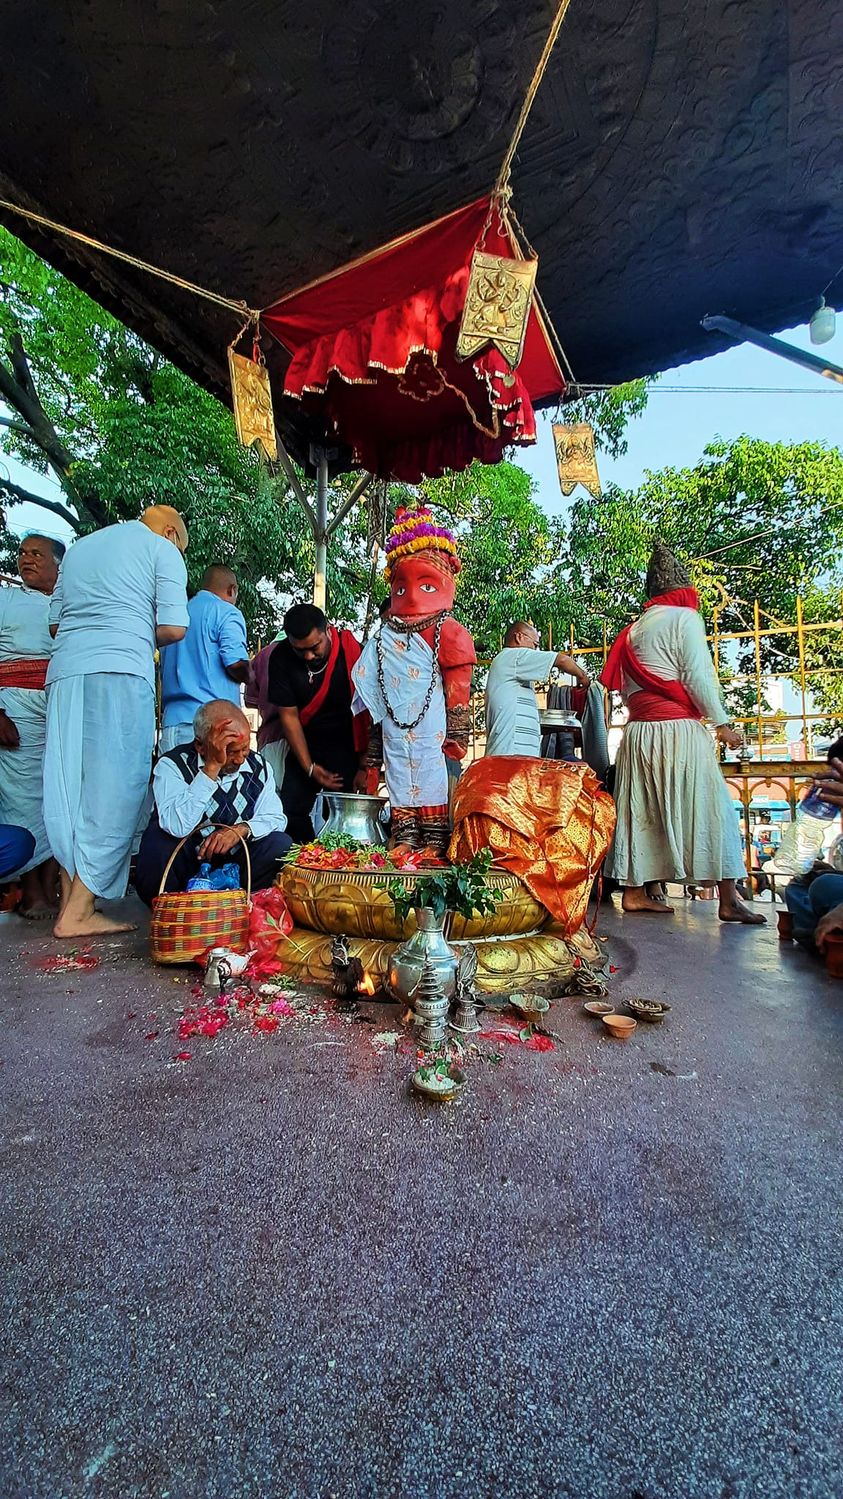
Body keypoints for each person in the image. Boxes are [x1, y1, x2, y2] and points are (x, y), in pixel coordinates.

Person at [44, 505, 189, 938]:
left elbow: (55, 625)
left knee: (70, 786)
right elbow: (174, 627)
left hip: (66, 671)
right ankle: (79, 911)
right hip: (121, 670)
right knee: (118, 785)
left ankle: (71, 902)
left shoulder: (79, 549)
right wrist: (133, 627)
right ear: (169, 531)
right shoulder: (161, 550)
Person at [600, 541, 764, 924]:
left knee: (641, 810)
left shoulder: (633, 630)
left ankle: (637, 893)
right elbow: (697, 676)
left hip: (638, 733)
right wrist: (721, 722)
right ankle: (728, 899)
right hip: (678, 732)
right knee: (711, 809)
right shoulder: (683, 618)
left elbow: (625, 688)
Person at [352, 505, 476, 855]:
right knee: (400, 778)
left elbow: (459, 683)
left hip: (429, 727)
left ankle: (434, 839)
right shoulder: (381, 639)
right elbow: (372, 697)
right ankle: (405, 835)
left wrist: (457, 729)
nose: (414, 595)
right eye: (402, 586)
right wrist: (372, 756)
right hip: (394, 727)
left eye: (425, 584)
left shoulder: (445, 630)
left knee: (430, 777)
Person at [134, 701, 290, 903]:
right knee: (158, 839)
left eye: (245, 749)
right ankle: (173, 908)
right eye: (231, 751)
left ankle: (238, 905)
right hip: (188, 866)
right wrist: (211, 768)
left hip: (235, 867)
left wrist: (240, 830)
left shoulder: (259, 766)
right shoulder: (172, 765)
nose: (241, 759)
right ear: (201, 745)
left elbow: (276, 817)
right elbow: (176, 826)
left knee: (279, 843)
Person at [0, 533, 65, 916]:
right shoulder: (6, 600)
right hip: (15, 708)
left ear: (59, 564)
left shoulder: (70, 603)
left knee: (58, 795)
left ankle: (51, 885)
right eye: (23, 553)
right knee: (21, 799)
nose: (27, 559)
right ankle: (32, 892)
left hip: (57, 706)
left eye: (37, 554)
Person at [267, 603, 368, 843]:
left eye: (314, 647)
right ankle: (305, 866)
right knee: (291, 812)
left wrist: (365, 766)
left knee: (341, 820)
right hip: (304, 745)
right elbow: (289, 717)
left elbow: (368, 715)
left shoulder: (354, 653)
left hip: (347, 746)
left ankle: (338, 871)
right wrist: (309, 767)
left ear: (327, 630)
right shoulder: (280, 657)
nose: (308, 656)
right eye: (299, 650)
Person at [159, 565, 250, 752]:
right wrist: (254, 676)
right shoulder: (226, 612)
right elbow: (235, 664)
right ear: (232, 589)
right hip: (211, 728)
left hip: (171, 725)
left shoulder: (177, 616)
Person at [485, 621, 589, 758]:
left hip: (514, 755)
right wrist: (582, 676)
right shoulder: (514, 657)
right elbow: (562, 660)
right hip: (510, 756)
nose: (535, 650)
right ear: (519, 637)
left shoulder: (513, 668)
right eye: (535, 644)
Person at [244, 638, 287, 791]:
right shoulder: (317, 649)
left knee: (271, 797)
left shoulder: (263, 655)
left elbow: (250, 702)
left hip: (271, 738)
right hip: (307, 742)